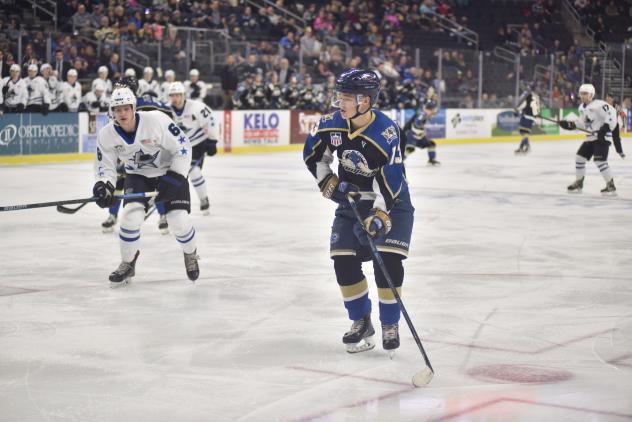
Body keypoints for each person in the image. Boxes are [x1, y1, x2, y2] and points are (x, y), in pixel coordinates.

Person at [303, 69, 414, 354]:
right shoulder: (332, 124)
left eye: (346, 97)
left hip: (391, 201)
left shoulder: (386, 133)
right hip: (351, 201)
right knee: (342, 259)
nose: (340, 102)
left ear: (365, 101)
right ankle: (361, 321)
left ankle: (390, 323)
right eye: (339, 96)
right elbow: (314, 156)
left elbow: (391, 178)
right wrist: (329, 183)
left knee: (386, 262)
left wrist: (379, 214)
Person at [93, 87, 200, 286]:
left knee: (178, 220)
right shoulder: (107, 134)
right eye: (118, 109)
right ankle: (128, 263)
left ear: (134, 108)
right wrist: (103, 187)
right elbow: (105, 167)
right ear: (112, 112)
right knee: (130, 217)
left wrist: (175, 177)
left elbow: (183, 147)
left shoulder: (156, 120)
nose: (122, 113)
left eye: (126, 108)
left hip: (170, 172)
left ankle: (190, 254)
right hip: (138, 176)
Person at [101, 76, 174, 234]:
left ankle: (163, 216)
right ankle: (112, 215)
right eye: (116, 89)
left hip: (152, 151)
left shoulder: (145, 101)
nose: (117, 92)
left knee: (157, 181)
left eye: (120, 89)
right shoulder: (113, 106)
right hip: (128, 153)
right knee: (119, 182)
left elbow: (168, 112)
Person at [560, 84, 620, 195]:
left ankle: (610, 185)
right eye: (581, 93)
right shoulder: (582, 108)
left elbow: (611, 113)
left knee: (600, 161)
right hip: (591, 137)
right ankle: (579, 182)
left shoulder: (600, 105)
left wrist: (605, 128)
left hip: (601, 138)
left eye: (585, 93)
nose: (582, 96)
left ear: (591, 94)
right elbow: (582, 124)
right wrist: (570, 125)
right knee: (579, 158)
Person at [169, 81, 219, 214]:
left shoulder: (196, 107)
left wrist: (212, 140)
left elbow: (211, 120)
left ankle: (204, 199)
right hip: (178, 148)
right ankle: (168, 206)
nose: (175, 98)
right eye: (173, 95)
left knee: (194, 171)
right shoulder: (166, 110)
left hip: (197, 145)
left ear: (184, 95)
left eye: (178, 95)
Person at [403, 99, 440, 165]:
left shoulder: (424, 113)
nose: (433, 112)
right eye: (432, 110)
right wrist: (420, 124)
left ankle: (431, 159)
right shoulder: (422, 114)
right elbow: (418, 121)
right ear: (429, 109)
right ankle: (399, 161)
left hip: (420, 136)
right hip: (413, 135)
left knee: (431, 144)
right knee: (410, 148)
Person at [514, 86, 540, 154]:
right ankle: (522, 147)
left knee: (523, 133)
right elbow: (537, 108)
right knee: (525, 133)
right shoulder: (536, 97)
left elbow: (523, 105)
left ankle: (526, 147)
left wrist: (517, 110)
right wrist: (536, 115)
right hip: (531, 118)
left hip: (526, 117)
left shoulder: (529, 97)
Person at [605, 93, 626, 160]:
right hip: (605, 124)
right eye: (607, 97)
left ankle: (620, 152)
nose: (608, 99)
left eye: (610, 97)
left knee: (616, 139)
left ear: (613, 99)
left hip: (614, 124)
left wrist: (623, 125)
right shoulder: (603, 105)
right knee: (601, 137)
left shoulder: (616, 106)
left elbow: (623, 115)